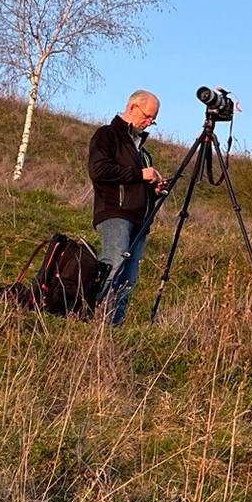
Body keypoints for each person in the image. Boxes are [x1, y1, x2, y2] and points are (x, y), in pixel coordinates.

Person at [88, 90, 165, 325]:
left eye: (153, 119)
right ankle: (94, 319)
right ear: (132, 107)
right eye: (147, 116)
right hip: (116, 213)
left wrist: (153, 189)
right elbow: (98, 170)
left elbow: (135, 181)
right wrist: (140, 174)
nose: (149, 122)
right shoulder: (107, 135)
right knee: (113, 264)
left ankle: (113, 324)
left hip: (139, 220)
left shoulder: (141, 149)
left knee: (128, 278)